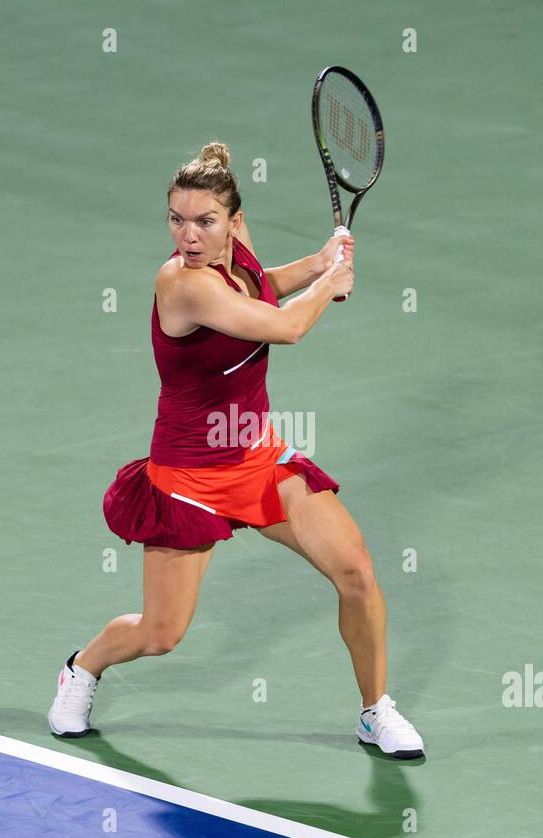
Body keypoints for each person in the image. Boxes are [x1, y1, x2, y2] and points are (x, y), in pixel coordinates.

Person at [49, 142, 424, 759]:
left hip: (257, 460)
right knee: (161, 633)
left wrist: (317, 264)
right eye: (176, 219)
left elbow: (262, 288)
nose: (188, 236)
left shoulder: (235, 258)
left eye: (203, 221)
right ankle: (82, 668)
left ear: (233, 220)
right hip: (187, 478)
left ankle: (374, 710)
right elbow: (286, 326)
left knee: (355, 571)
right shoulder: (181, 283)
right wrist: (330, 285)